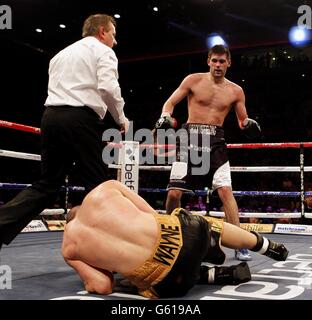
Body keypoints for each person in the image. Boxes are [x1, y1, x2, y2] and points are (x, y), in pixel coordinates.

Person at [0, 14, 128, 249]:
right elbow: (109, 87)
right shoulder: (103, 51)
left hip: (51, 118)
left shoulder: (60, 55)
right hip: (80, 119)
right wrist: (121, 118)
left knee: (47, 185)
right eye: (113, 34)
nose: (115, 41)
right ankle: (103, 248)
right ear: (102, 32)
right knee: (99, 186)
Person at [62, 179, 288, 299]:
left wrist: (99, 269)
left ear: (67, 223)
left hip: (169, 282)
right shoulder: (106, 188)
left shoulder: (69, 247)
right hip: (188, 235)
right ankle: (265, 245)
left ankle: (211, 275)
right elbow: (153, 213)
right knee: (201, 225)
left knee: (134, 279)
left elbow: (102, 287)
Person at [154, 44, 261, 261]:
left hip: (216, 141)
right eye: (215, 60)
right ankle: (170, 237)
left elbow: (242, 121)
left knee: (225, 191)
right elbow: (170, 103)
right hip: (189, 138)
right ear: (208, 61)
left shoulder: (235, 91)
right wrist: (165, 115)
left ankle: (240, 245)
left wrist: (249, 123)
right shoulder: (193, 80)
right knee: (174, 192)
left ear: (229, 63)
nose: (218, 65)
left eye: (222, 61)